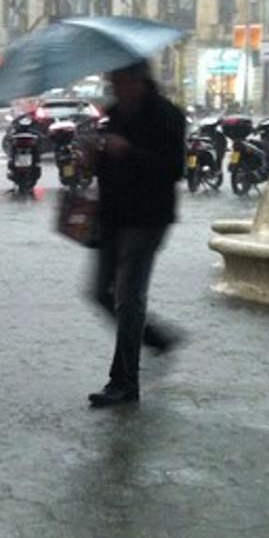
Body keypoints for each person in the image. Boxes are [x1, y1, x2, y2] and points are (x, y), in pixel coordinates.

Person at [89, 60, 185, 408]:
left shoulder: (168, 116)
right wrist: (93, 156)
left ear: (139, 80)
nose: (113, 86)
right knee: (98, 292)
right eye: (111, 79)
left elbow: (173, 169)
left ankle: (124, 382)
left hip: (147, 219)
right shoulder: (114, 114)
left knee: (128, 299)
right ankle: (156, 338)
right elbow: (105, 168)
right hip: (112, 217)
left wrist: (127, 151)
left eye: (119, 79)